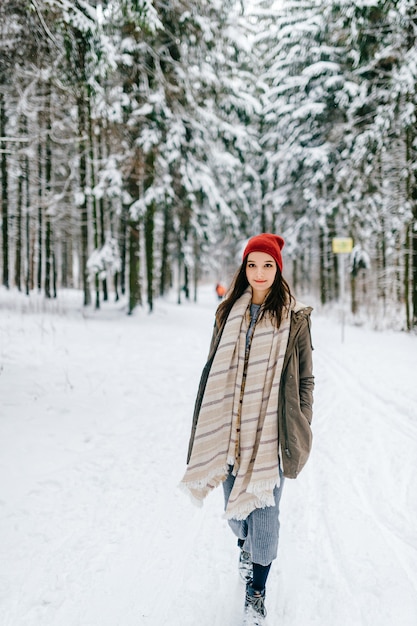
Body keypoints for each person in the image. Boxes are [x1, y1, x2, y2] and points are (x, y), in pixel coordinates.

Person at [180, 233, 314, 625]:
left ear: (278, 270)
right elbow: (212, 368)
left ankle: (257, 591)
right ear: (244, 268)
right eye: (253, 265)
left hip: (272, 433)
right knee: (236, 514)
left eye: (267, 265)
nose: (259, 273)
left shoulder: (296, 318)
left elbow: (306, 378)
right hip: (229, 431)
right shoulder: (227, 313)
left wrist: (301, 418)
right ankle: (244, 545)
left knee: (266, 515)